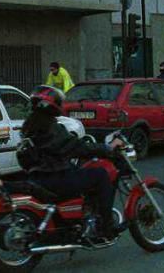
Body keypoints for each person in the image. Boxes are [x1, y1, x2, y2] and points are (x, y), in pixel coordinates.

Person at [20, 86, 125, 242]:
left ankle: (84, 218)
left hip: (38, 176)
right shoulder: (49, 126)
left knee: (81, 171)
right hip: (54, 177)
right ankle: (106, 227)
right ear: (51, 104)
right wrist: (107, 148)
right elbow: (76, 147)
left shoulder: (30, 125)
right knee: (101, 175)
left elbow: (65, 146)